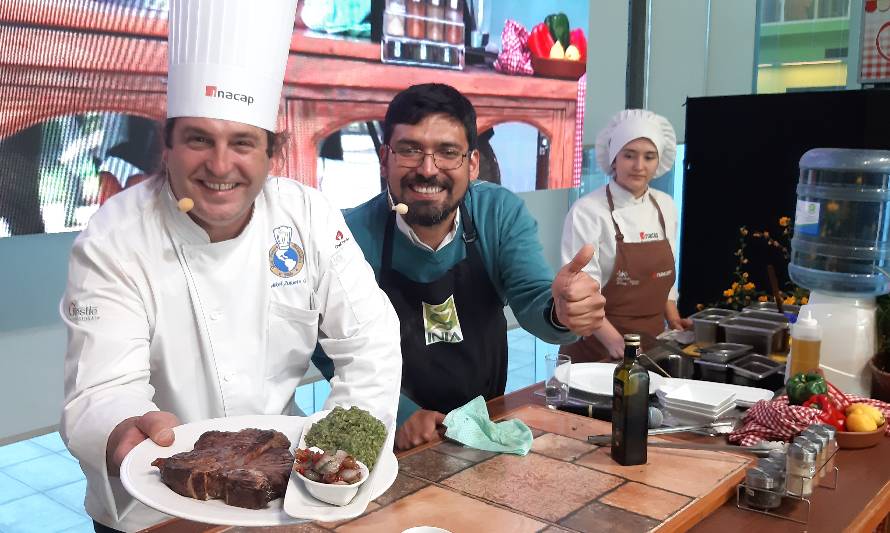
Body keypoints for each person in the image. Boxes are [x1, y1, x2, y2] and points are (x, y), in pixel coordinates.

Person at [60, 1, 401, 531]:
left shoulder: (306, 216)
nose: (220, 166)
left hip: (277, 491)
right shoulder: (115, 236)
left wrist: (332, 460)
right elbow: (102, 387)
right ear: (167, 144)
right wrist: (125, 429)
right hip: (152, 503)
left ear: (272, 153)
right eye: (199, 138)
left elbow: (370, 343)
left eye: (242, 142)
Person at [314, 83, 606, 451]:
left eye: (448, 152)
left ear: (472, 163)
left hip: (486, 423)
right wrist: (399, 415)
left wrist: (563, 313)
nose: (427, 169)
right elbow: (331, 348)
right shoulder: (351, 235)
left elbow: (534, 302)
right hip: (393, 435)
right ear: (384, 157)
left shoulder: (498, 213)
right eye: (409, 150)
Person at [559, 109, 692, 363]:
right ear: (614, 158)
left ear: (659, 160)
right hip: (596, 350)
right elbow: (579, 294)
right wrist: (615, 343)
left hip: (652, 345)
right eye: (629, 155)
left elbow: (665, 274)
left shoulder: (665, 205)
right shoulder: (587, 212)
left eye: (649, 157)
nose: (639, 166)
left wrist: (672, 316)